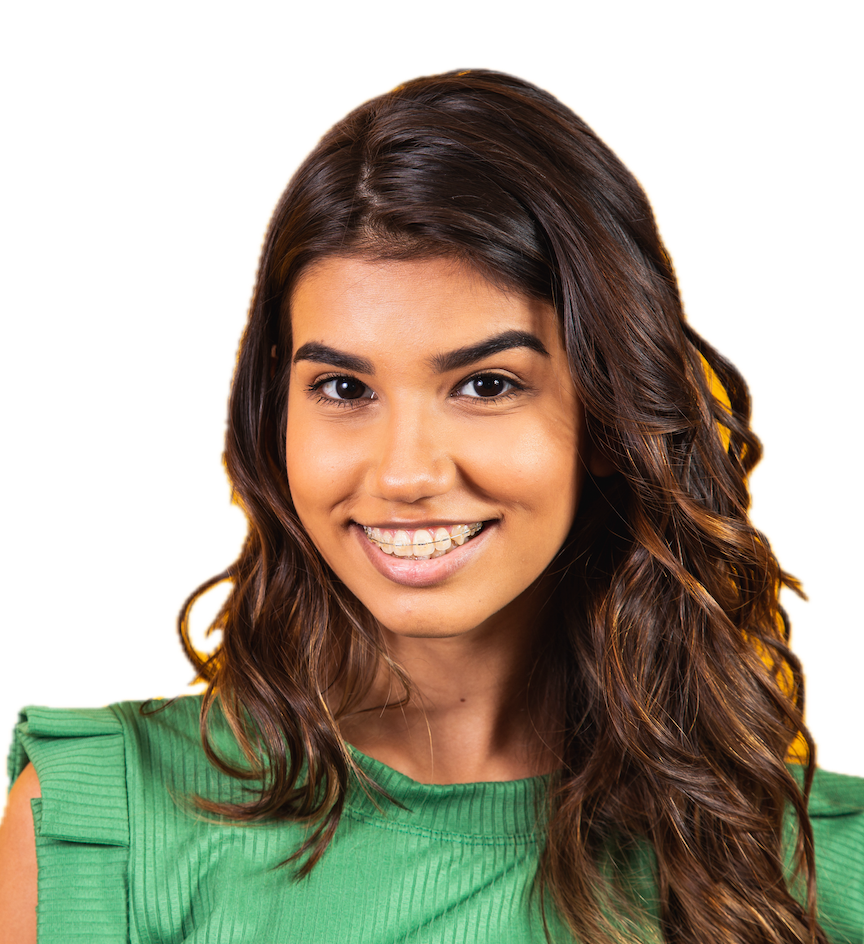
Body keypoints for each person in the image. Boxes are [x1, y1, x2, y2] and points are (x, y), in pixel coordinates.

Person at [2, 66, 862, 944]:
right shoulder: (102, 827)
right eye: (342, 387)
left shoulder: (827, 870)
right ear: (276, 416)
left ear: (610, 414)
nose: (405, 474)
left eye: (486, 384)